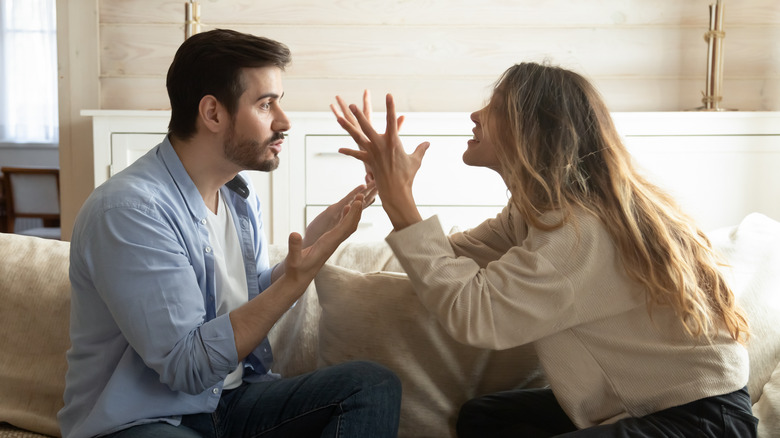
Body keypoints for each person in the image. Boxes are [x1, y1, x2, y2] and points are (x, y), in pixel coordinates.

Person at [331, 63, 759, 437]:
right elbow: (447, 260)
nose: (475, 116)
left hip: (701, 420)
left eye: (494, 108)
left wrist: (400, 199)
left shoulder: (582, 231)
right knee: (483, 419)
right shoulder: (538, 212)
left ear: (533, 128)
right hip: (646, 406)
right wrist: (391, 194)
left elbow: (478, 315)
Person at [58, 29, 401, 438]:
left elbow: (250, 298)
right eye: (265, 104)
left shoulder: (238, 194)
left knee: (372, 385)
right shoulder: (129, 211)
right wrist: (295, 281)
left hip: (229, 401)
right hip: (148, 419)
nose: (284, 121)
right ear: (213, 114)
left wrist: (313, 245)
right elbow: (187, 367)